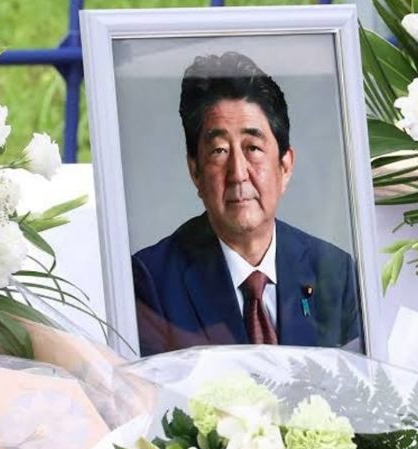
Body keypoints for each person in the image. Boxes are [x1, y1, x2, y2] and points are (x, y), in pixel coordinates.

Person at [132, 51, 361, 356]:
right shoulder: (153, 281)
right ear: (195, 171)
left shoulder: (335, 271)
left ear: (285, 166)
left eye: (253, 148)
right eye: (219, 151)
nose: (238, 174)